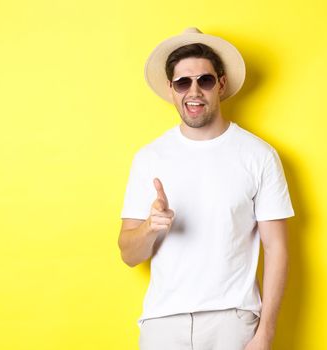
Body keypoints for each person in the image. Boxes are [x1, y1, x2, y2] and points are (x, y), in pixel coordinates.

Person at [118, 27, 295, 350]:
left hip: (232, 321)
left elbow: (277, 249)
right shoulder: (149, 158)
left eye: (205, 80)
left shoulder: (259, 155)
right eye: (183, 82)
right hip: (163, 323)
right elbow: (129, 255)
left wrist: (265, 334)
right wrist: (149, 228)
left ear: (221, 84)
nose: (194, 91)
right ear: (171, 89)